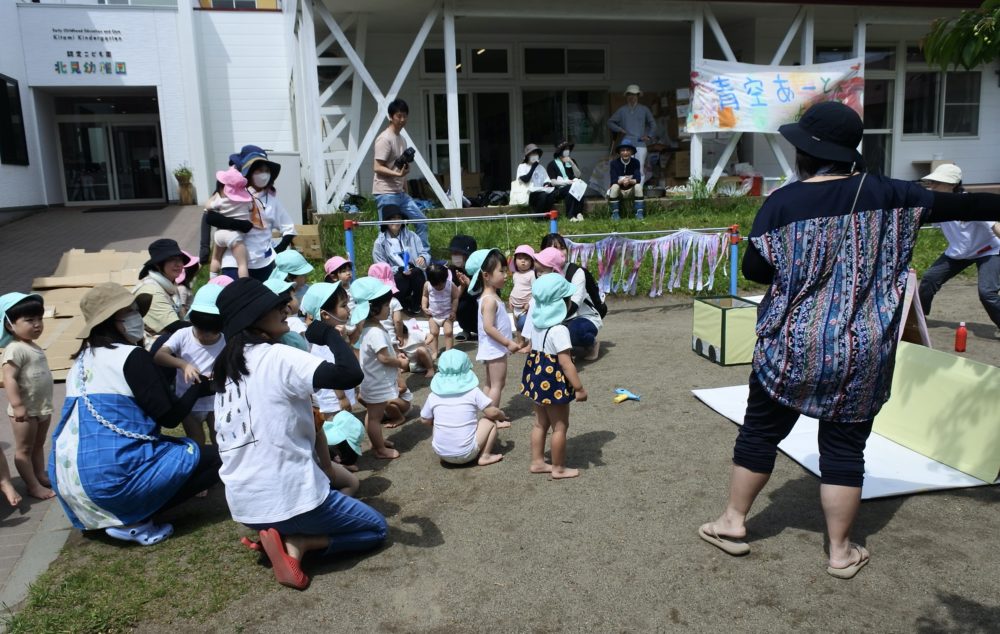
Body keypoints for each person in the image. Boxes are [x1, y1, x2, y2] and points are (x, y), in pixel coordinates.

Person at [697, 101, 1000, 579]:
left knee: (760, 433)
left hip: (791, 346)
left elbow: (756, 270)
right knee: (844, 450)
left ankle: (733, 522)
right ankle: (839, 552)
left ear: (805, 153)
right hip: (863, 351)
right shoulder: (895, 194)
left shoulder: (782, 203)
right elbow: (972, 205)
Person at [212, 278, 383, 590]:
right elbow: (350, 374)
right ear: (253, 318)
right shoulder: (276, 356)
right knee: (376, 529)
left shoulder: (226, 370)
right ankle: (301, 542)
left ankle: (280, 536)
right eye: (274, 306)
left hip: (246, 507)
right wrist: (328, 334)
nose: (284, 309)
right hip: (290, 499)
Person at [49, 283, 220, 545]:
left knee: (176, 450)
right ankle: (135, 519)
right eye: (130, 312)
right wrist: (199, 389)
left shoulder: (80, 361)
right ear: (110, 321)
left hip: (72, 488)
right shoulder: (132, 357)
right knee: (216, 458)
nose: (138, 317)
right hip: (112, 484)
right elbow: (170, 417)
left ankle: (109, 518)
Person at [917, 164, 1000, 336]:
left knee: (987, 292)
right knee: (929, 279)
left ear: (952, 185)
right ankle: (918, 319)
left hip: (988, 250)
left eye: (937, 182)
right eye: (931, 182)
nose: (931, 186)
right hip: (959, 252)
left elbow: (996, 227)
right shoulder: (936, 204)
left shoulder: (971, 203)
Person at [520, 273, 587, 480]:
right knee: (560, 426)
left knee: (540, 423)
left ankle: (537, 462)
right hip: (553, 383)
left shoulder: (536, 324)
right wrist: (579, 388)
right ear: (562, 304)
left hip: (537, 378)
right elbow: (566, 364)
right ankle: (558, 468)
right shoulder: (559, 330)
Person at [204, 145, 297, 282]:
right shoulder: (232, 194)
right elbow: (210, 216)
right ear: (249, 172)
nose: (263, 175)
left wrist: (278, 250)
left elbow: (289, 228)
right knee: (235, 294)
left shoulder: (272, 201)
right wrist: (237, 224)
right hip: (233, 261)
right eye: (259, 170)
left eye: (267, 171)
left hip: (263, 262)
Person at [153, 285, 226, 446]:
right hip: (188, 402)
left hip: (215, 400)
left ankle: (218, 462)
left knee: (220, 438)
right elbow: (159, 355)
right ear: (193, 321)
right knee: (196, 439)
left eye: (212, 332)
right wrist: (183, 365)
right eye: (202, 330)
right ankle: (199, 461)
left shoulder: (226, 340)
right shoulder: (183, 335)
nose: (206, 336)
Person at [350, 277, 410, 458]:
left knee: (372, 414)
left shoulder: (371, 327)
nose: (389, 309)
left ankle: (378, 442)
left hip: (372, 379)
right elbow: (383, 357)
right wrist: (400, 363)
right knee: (375, 417)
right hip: (376, 381)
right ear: (373, 308)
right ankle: (380, 449)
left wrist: (395, 356)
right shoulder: (375, 331)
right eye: (385, 306)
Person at [2, 292, 54, 500]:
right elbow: (9, 378)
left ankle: (39, 474)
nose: (37, 324)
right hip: (24, 411)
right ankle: (32, 485)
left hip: (41, 407)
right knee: (24, 448)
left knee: (38, 445)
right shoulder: (15, 349)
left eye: (39, 319)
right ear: (10, 325)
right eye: (29, 320)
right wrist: (17, 405)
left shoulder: (32, 346)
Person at [420, 349, 508, 467]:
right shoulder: (473, 392)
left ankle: (447, 445)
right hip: (467, 453)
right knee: (489, 421)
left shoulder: (433, 395)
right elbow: (492, 413)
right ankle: (485, 456)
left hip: (441, 453)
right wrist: (501, 415)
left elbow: (424, 420)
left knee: (437, 421)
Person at [372, 99, 430, 252]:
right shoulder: (384, 139)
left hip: (400, 193)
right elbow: (377, 167)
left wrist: (405, 188)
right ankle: (384, 259)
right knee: (387, 229)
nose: (402, 119)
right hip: (385, 193)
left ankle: (423, 255)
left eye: (405, 116)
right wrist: (397, 174)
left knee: (421, 220)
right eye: (399, 116)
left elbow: (401, 169)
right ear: (391, 117)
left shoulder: (402, 139)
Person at [467, 249, 519, 414]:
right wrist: (508, 342)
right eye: (501, 271)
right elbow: (488, 327)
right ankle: (492, 416)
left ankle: (486, 411)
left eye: (505, 270)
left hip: (492, 347)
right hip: (495, 348)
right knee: (497, 384)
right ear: (486, 275)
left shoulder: (489, 296)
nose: (506, 275)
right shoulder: (490, 300)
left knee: (490, 383)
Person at [539, 234, 603, 360]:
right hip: (555, 317)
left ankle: (592, 344)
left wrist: (553, 322)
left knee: (574, 332)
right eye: (553, 248)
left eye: (562, 248)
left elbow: (575, 303)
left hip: (581, 316)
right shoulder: (539, 272)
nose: (559, 252)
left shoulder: (576, 272)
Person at [369, 262, 435, 378]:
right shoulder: (394, 302)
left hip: (381, 339)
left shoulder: (371, 304)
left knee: (393, 358)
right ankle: (399, 377)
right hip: (389, 340)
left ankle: (423, 369)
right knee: (394, 357)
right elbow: (398, 321)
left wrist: (429, 347)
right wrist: (399, 335)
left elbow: (399, 322)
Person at [371, 205, 430, 314]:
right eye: (392, 219)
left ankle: (416, 304)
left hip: (413, 270)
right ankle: (400, 303)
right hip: (395, 275)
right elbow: (381, 268)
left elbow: (424, 253)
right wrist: (399, 269)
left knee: (417, 273)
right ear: (386, 222)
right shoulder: (379, 243)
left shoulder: (412, 236)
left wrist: (423, 258)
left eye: (399, 218)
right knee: (400, 278)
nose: (396, 221)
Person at [133, 238, 187, 348]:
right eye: (171, 260)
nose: (178, 264)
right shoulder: (151, 290)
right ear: (158, 264)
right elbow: (174, 326)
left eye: (180, 259)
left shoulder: (169, 284)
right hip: (148, 348)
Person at [205, 167, 255, 279]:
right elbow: (251, 208)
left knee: (215, 259)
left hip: (220, 235)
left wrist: (214, 197)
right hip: (235, 237)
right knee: (242, 264)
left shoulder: (221, 201)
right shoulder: (246, 201)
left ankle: (212, 280)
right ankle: (244, 284)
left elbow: (207, 206)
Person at [608, 84, 656, 185]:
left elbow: (653, 123)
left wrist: (649, 136)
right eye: (630, 94)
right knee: (625, 168)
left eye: (634, 94)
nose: (632, 97)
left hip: (640, 143)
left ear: (638, 96)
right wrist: (620, 129)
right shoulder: (622, 110)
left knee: (640, 169)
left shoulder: (644, 109)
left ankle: (639, 191)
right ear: (626, 96)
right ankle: (627, 190)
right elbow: (610, 122)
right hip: (626, 144)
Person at [421, 263, 461, 357]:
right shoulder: (427, 285)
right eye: (435, 285)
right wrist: (424, 307)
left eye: (440, 284)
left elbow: (455, 298)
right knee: (433, 333)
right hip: (433, 314)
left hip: (447, 315)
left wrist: (453, 311)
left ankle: (448, 352)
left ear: (445, 279)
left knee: (448, 332)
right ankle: (434, 351)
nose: (438, 287)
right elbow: (425, 296)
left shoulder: (450, 285)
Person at [447, 235, 479, 341]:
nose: (454, 256)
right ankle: (466, 329)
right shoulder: (451, 271)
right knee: (460, 305)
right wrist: (462, 286)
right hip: (463, 308)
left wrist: (470, 284)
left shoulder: (479, 270)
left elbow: (485, 293)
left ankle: (485, 330)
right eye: (453, 253)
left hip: (479, 306)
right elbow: (451, 297)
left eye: (458, 253)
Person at [546, 140, 585, 222]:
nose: (567, 150)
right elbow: (553, 182)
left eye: (568, 148)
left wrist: (571, 163)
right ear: (560, 151)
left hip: (571, 187)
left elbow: (578, 175)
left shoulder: (572, 161)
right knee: (571, 188)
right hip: (558, 190)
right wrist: (566, 182)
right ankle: (571, 215)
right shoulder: (552, 164)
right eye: (565, 149)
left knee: (580, 185)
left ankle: (578, 213)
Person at [608, 138, 645, 220]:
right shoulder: (614, 163)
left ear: (631, 152)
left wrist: (629, 181)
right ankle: (615, 214)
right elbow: (613, 180)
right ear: (619, 152)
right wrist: (622, 181)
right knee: (614, 187)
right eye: (623, 150)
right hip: (619, 191)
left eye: (628, 150)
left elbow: (638, 179)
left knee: (638, 186)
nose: (625, 153)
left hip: (631, 190)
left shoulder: (636, 162)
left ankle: (639, 213)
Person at [516, 144, 556, 216]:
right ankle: (538, 217)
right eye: (532, 153)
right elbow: (525, 179)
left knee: (551, 194)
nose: (535, 155)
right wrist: (533, 167)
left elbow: (546, 180)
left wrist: (546, 184)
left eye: (536, 153)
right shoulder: (522, 166)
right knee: (543, 195)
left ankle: (546, 215)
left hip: (540, 191)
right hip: (527, 194)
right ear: (528, 156)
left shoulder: (540, 167)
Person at [509, 245, 535, 333]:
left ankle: (529, 340)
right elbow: (515, 287)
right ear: (515, 260)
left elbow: (535, 291)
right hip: (515, 306)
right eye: (520, 258)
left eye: (526, 259)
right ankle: (519, 340)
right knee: (517, 327)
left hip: (525, 308)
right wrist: (510, 298)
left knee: (524, 326)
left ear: (531, 261)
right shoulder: (515, 274)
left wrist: (529, 303)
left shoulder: (531, 274)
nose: (523, 261)